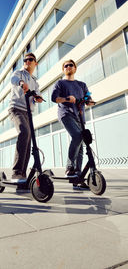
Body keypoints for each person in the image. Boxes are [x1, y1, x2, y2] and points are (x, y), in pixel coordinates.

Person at [51, 59, 94, 189]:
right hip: (66, 113)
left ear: (75, 68)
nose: (68, 67)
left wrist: (89, 101)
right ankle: (69, 167)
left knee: (81, 146)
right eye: (66, 66)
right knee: (77, 137)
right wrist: (66, 99)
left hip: (80, 116)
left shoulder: (82, 84)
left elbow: (88, 97)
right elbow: (54, 98)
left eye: (71, 65)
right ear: (63, 69)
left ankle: (78, 177)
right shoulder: (60, 83)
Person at [8, 52, 43, 182]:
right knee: (24, 132)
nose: (27, 61)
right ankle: (16, 172)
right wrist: (21, 83)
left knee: (29, 139)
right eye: (25, 60)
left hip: (28, 112)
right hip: (16, 109)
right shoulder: (19, 73)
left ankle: (22, 173)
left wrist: (38, 98)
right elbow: (13, 80)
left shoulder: (35, 81)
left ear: (35, 63)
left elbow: (37, 94)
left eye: (30, 59)